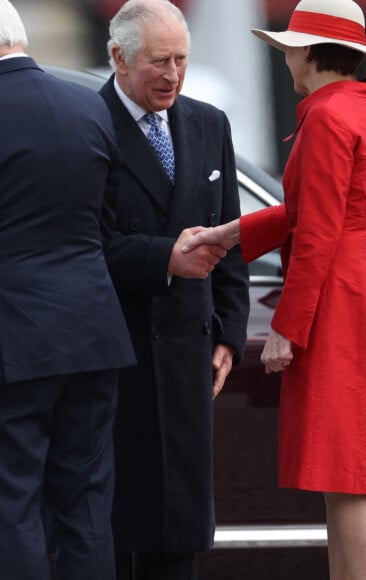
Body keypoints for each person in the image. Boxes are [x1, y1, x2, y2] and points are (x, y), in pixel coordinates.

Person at [183, 1, 366, 578]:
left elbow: (314, 231)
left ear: (311, 52)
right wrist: (231, 233)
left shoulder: (329, 117)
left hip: (339, 300)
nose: (286, 56)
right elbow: (316, 212)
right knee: (349, 472)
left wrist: (288, 327)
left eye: (290, 46)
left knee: (349, 476)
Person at [99, 1, 250, 579]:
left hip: (190, 354)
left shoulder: (209, 124)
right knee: (121, 525)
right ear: (118, 58)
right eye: (157, 61)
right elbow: (90, 245)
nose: (172, 75)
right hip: (122, 353)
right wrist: (166, 256)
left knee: (181, 530)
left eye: (181, 60)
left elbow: (233, 237)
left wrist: (229, 335)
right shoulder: (90, 128)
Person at [0, 1, 136, 579]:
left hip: (15, 338)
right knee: (85, 504)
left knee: (13, 503)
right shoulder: (89, 105)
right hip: (95, 332)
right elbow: (107, 223)